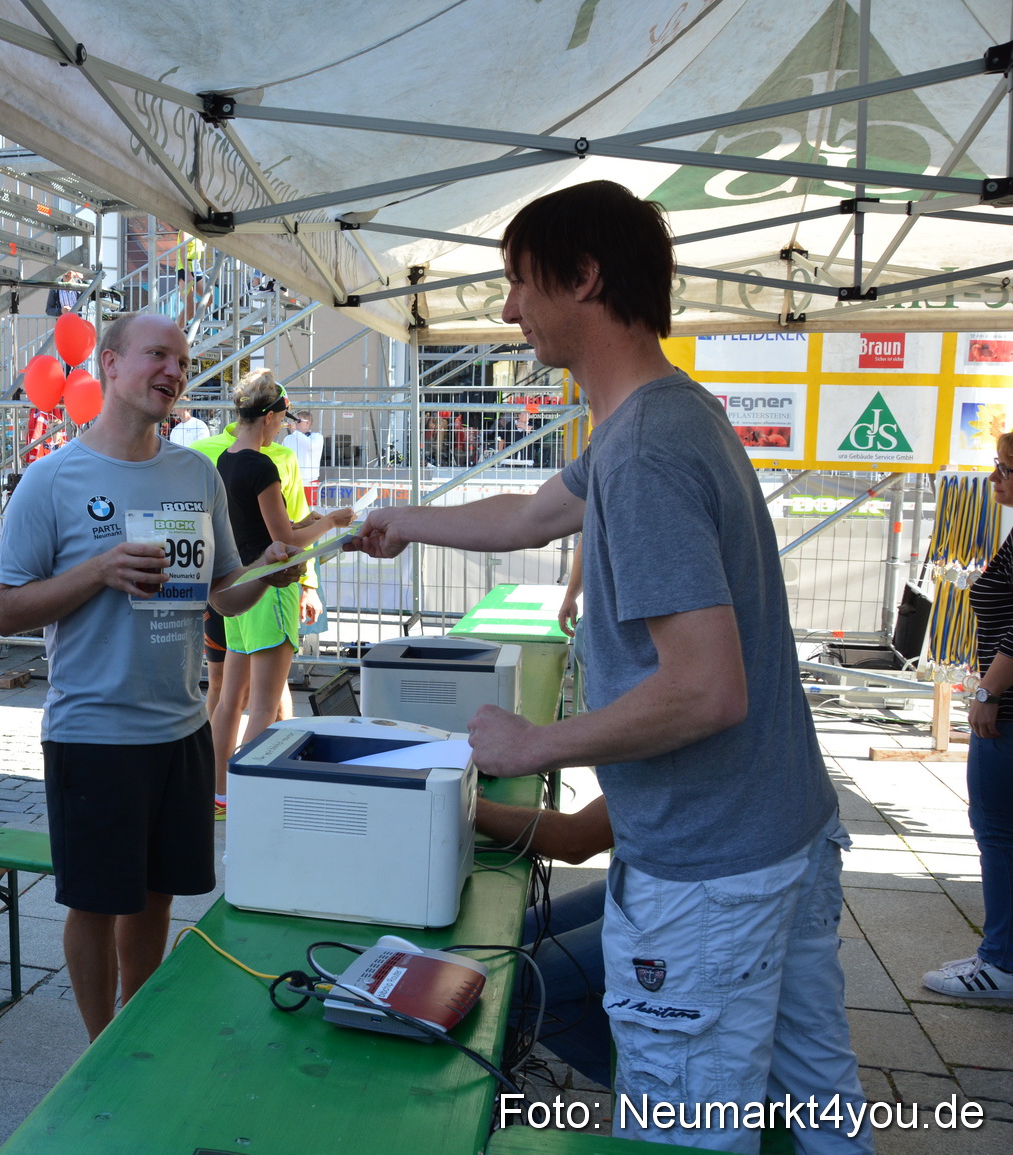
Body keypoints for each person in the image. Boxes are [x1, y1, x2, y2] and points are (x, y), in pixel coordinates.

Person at [351, 180, 867, 1153]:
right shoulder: (664, 414)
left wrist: (533, 739)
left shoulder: (642, 456)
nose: (507, 310)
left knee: (684, 1128)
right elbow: (529, 515)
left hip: (711, 876)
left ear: (583, 276)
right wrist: (381, 523)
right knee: (817, 1098)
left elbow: (706, 689)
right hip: (781, 835)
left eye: (518, 282)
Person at [0, 312, 300, 1042]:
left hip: (182, 729)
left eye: (184, 361)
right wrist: (97, 571)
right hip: (94, 733)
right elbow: (5, 611)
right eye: (158, 354)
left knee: (157, 897)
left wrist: (271, 570)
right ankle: (100, 1047)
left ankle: (136, 1032)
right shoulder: (51, 479)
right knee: (95, 903)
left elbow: (221, 594)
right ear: (109, 364)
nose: (174, 371)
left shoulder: (194, 473)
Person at [207, 374, 351, 818]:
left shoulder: (225, 460)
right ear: (269, 417)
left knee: (230, 701)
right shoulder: (261, 465)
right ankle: (249, 798)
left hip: (237, 587)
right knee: (264, 708)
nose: (284, 428)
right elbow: (286, 537)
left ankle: (219, 795)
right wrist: (331, 522)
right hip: (269, 588)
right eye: (282, 420)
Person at [922, 432, 1013, 999]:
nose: (994, 479)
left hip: (1008, 712)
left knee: (997, 833)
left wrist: (989, 692)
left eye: (1004, 468)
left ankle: (1000, 963)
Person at [473, 794, 614, 1088]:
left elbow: (574, 841)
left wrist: (464, 802)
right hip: (640, 881)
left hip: (685, 914)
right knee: (497, 941)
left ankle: (649, 1087)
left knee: (506, 984)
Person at [282, 412, 324, 509]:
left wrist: (295, 432)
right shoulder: (288, 438)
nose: (295, 424)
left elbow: (311, 446)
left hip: (309, 482)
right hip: (292, 482)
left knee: (309, 512)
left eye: (298, 421)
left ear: (308, 423)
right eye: (294, 421)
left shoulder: (317, 437)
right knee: (291, 511)